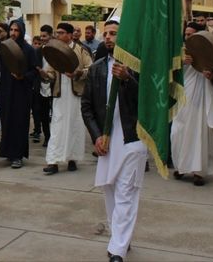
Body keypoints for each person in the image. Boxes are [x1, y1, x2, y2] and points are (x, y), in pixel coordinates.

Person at [81, 19, 144, 262]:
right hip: (106, 140)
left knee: (126, 193)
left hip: (132, 139)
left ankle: (117, 248)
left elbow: (146, 105)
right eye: (105, 33)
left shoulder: (136, 67)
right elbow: (86, 107)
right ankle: (121, 237)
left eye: (113, 33)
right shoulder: (96, 68)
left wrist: (128, 79)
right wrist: (97, 135)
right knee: (109, 190)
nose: (108, 37)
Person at [171, 22, 213, 186]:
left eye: (191, 35)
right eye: (186, 34)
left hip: (204, 104)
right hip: (184, 101)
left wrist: (212, 76)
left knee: (200, 136)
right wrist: (181, 63)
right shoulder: (181, 53)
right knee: (179, 132)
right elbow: (169, 75)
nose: (187, 37)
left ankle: (199, 172)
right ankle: (181, 167)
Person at [43, 22, 91, 175]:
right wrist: (45, 76)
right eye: (57, 32)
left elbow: (91, 69)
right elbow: (50, 72)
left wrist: (78, 74)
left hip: (76, 95)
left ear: (70, 35)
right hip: (59, 95)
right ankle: (53, 162)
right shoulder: (53, 51)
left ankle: (72, 159)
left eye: (62, 32)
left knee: (75, 126)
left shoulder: (81, 50)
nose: (58, 35)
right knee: (57, 128)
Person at [0, 20, 38, 168]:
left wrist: (24, 77)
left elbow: (35, 71)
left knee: (19, 122)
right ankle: (8, 152)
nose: (13, 33)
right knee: (7, 120)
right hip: (6, 89)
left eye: (17, 30)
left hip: (22, 91)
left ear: (22, 32)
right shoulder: (4, 48)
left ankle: (18, 155)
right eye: (11, 30)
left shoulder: (29, 50)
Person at [32, 24, 55, 146]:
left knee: (56, 115)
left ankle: (56, 138)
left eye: (44, 36)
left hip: (55, 86)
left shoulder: (57, 50)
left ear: (51, 35)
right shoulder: (37, 51)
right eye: (41, 36)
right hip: (41, 86)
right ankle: (47, 137)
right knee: (43, 114)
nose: (42, 38)